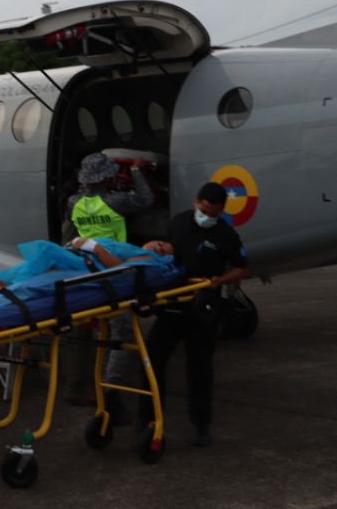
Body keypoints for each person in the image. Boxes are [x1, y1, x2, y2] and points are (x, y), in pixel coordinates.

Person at [135, 182, 250, 448]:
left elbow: (243, 269)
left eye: (214, 214)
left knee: (200, 369)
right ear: (196, 201)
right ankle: (147, 419)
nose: (208, 217)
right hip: (173, 304)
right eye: (204, 211)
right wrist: (156, 247)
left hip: (203, 310)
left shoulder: (226, 234)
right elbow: (172, 252)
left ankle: (201, 424)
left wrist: (219, 280)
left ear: (222, 211)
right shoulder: (179, 222)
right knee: (151, 362)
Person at [65, 152, 155, 421]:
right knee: (121, 336)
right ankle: (111, 393)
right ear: (108, 177)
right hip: (114, 270)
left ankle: (92, 385)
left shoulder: (72, 203)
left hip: (86, 269)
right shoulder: (117, 200)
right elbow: (148, 200)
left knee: (95, 327)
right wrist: (137, 172)